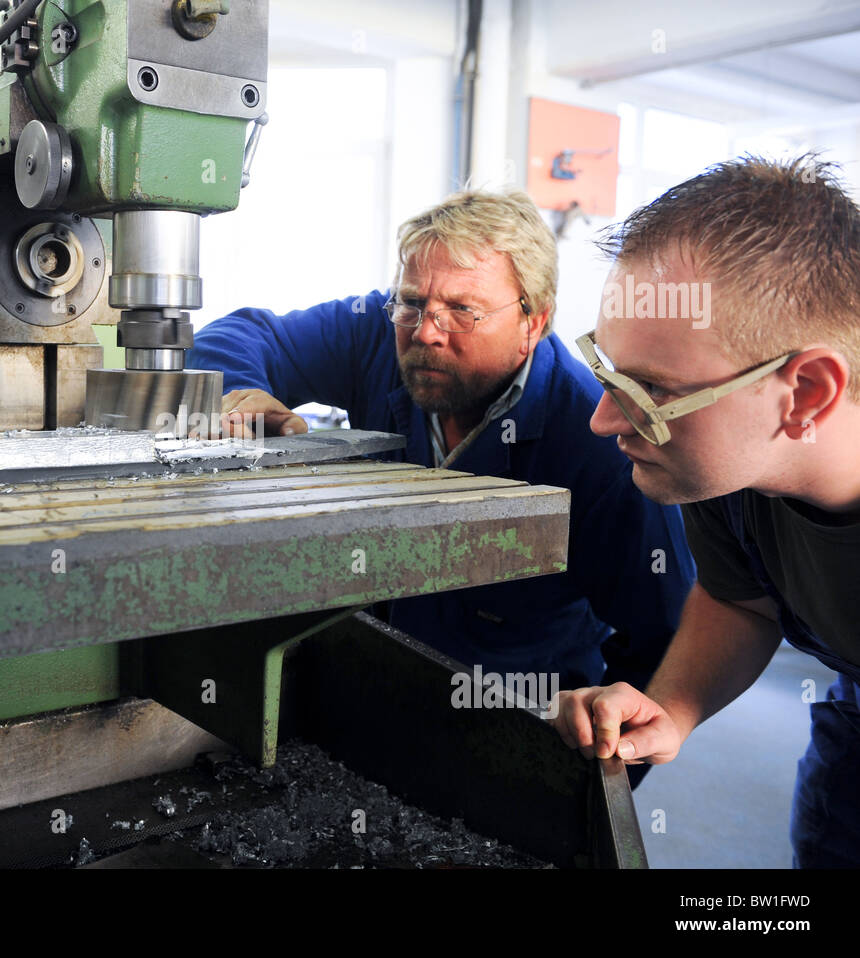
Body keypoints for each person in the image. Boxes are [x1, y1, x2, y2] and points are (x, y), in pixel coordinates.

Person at [188, 190, 695, 732]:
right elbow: (241, 334)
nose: (426, 331)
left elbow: (665, 638)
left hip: (504, 722)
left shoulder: (598, 450)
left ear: (534, 321)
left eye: (462, 311)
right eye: (413, 302)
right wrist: (242, 394)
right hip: (361, 684)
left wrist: (588, 772)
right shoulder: (377, 335)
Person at [549, 155, 860, 867]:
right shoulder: (729, 468)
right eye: (608, 372)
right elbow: (741, 598)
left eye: (652, 389)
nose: (603, 420)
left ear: (806, 392)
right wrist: (676, 706)